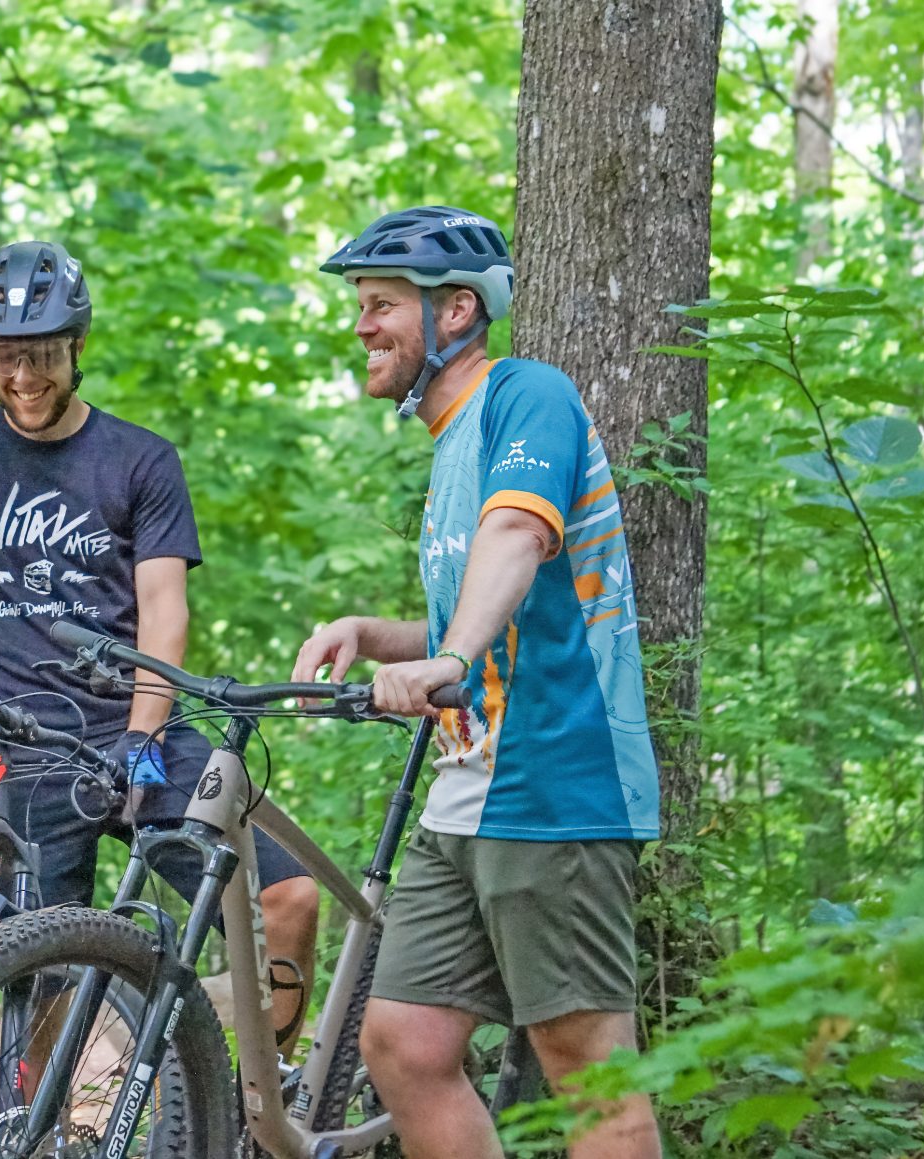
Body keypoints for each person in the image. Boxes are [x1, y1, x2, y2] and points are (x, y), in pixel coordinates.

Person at [0, 239, 320, 1050]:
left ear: (77, 346)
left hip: (138, 733)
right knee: (40, 966)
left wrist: (145, 730)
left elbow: (164, 606)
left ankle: (254, 1097)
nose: (24, 376)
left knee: (285, 898)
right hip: (25, 744)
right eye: (6, 355)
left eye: (42, 353)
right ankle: (55, 1131)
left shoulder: (140, 458)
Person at [291, 206, 661, 1158]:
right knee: (404, 1043)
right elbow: (492, 617)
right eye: (361, 305)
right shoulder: (452, 441)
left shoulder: (525, 395)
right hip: (470, 793)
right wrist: (381, 636)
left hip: (554, 780)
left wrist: (447, 662)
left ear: (457, 311)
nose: (362, 325)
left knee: (591, 1075)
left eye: (382, 304)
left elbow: (519, 538)